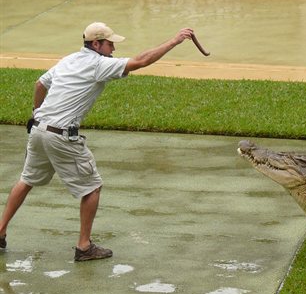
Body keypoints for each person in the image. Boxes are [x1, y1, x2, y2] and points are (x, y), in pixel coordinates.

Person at [0, 22, 196, 261]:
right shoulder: (98, 65)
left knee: (27, 180)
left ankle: (0, 231)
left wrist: (36, 111)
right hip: (61, 136)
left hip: (38, 130)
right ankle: (84, 247)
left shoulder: (69, 59)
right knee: (92, 187)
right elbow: (141, 61)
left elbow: (40, 84)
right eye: (109, 43)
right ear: (96, 44)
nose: (113, 47)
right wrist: (174, 41)